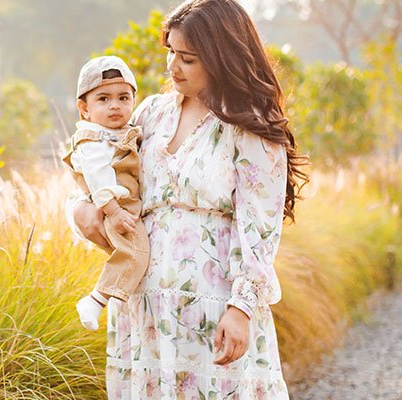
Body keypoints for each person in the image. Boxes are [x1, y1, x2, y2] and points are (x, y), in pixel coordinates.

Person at [65, 0, 309, 398]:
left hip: (214, 307)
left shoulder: (248, 126)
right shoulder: (150, 114)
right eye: (171, 54)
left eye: (188, 58)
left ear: (220, 57)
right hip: (144, 309)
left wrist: (242, 309)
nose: (172, 68)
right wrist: (80, 211)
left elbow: (260, 230)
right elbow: (97, 174)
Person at [63, 56, 150, 331]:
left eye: (124, 98)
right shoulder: (92, 139)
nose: (115, 105)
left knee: (133, 254)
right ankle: (96, 300)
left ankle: (99, 298)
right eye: (103, 99)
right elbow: (98, 178)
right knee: (136, 253)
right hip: (116, 207)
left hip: (124, 206)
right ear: (84, 109)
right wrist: (113, 211)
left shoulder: (123, 130)